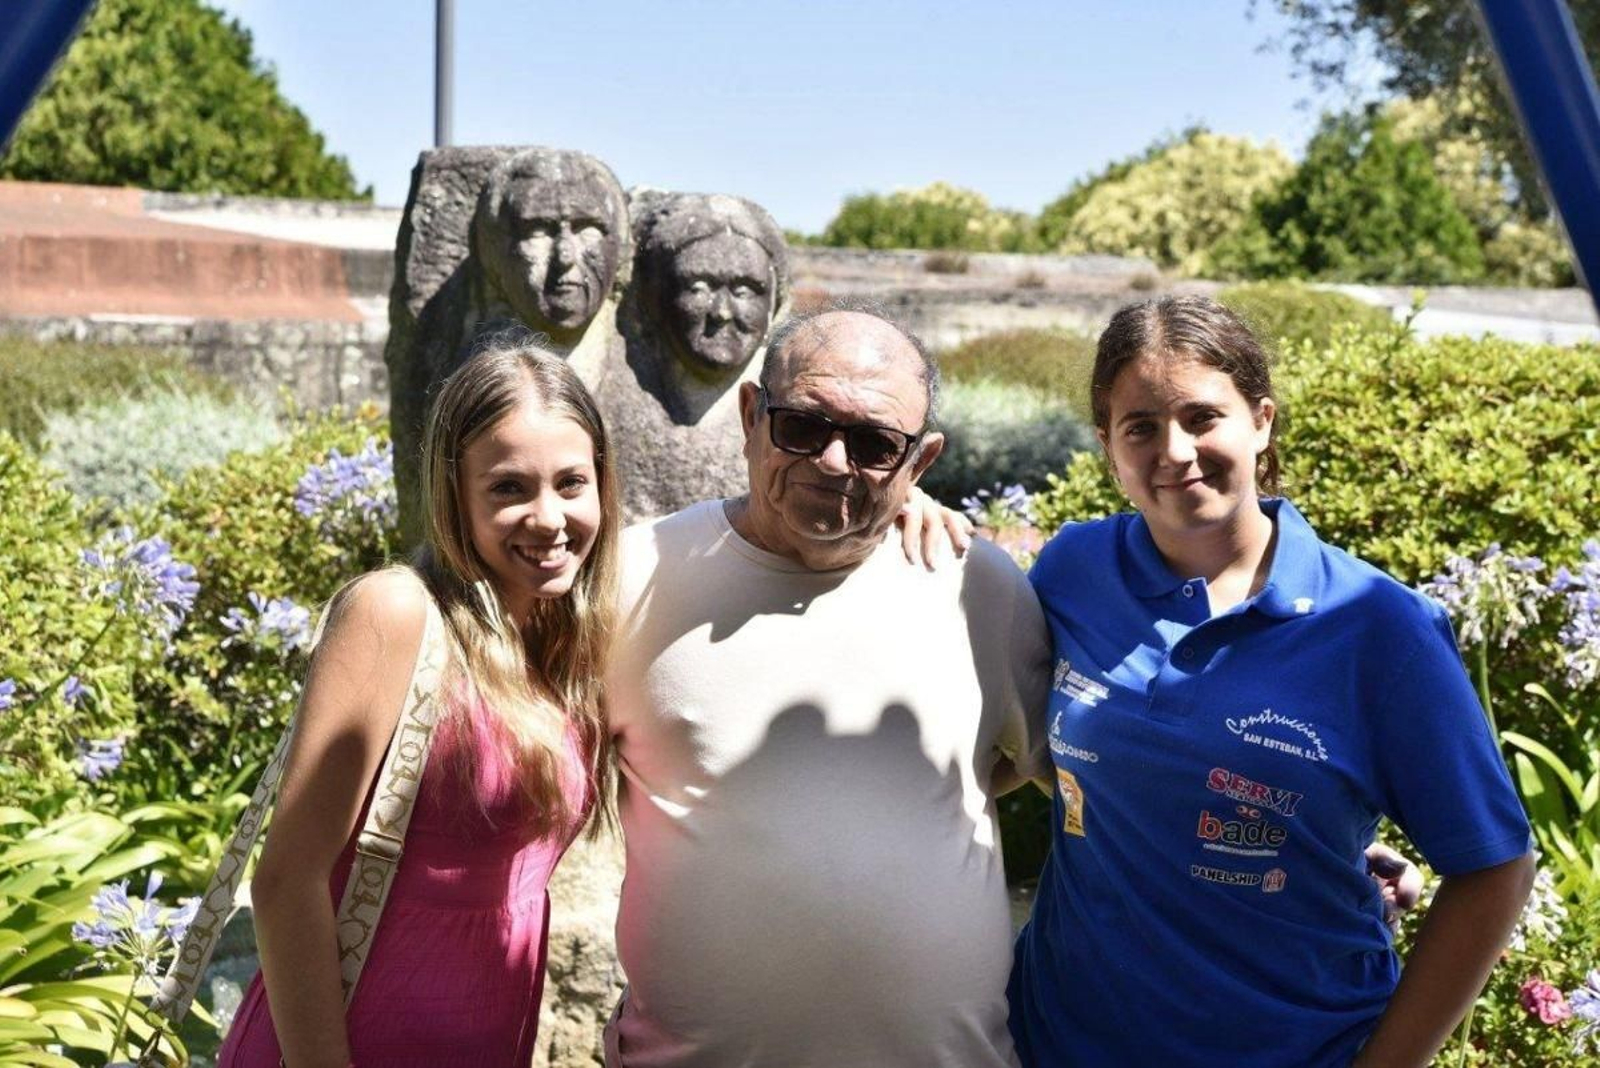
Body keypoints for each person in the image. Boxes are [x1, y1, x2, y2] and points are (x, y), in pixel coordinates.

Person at [1007, 296, 1534, 1068]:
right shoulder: (1074, 570)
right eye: (1141, 426)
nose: (1175, 451)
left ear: (1262, 421)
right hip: (1061, 1039)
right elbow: (1058, 758)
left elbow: (1495, 868)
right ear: (1107, 446)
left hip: (1292, 1047)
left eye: (1202, 417)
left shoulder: (1379, 629)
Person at [603, 306, 1051, 1067]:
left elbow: (1066, 773)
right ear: (751, 415)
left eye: (876, 444)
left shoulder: (979, 588)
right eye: (805, 427)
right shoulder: (629, 580)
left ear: (922, 461)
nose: (835, 462)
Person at [217, 333, 621, 1068]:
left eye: (571, 483)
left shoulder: (563, 634)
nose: (549, 518)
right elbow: (286, 879)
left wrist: (894, 521)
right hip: (347, 1040)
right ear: (453, 493)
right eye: (508, 487)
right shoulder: (396, 614)